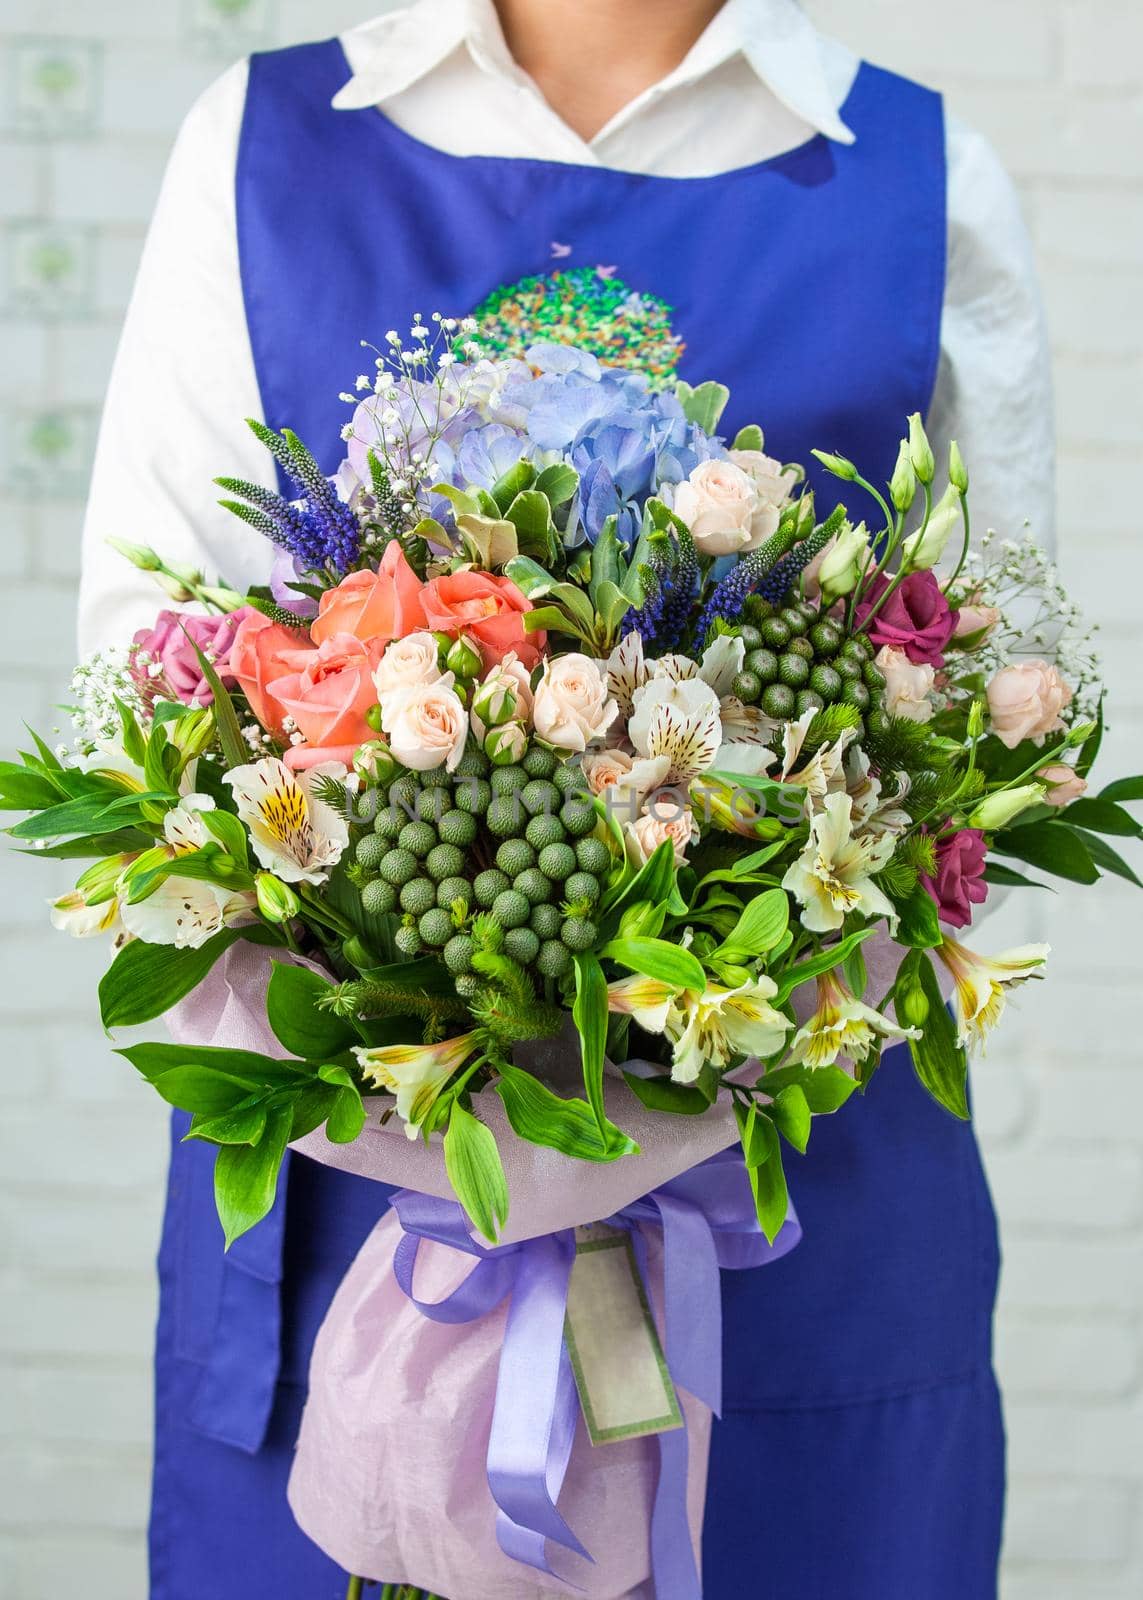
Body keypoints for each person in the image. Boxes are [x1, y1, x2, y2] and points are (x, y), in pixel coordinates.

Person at [78, 2, 1053, 1595]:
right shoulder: (255, 147)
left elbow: (977, 735)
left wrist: (694, 1009)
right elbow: (151, 692)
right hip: (355, 1206)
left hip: (788, 1203)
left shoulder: (919, 177)